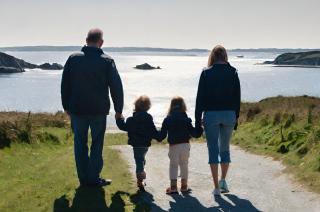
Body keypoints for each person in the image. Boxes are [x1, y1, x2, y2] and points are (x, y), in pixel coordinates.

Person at [61, 28, 124, 187]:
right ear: (101, 42)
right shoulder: (107, 61)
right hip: (98, 111)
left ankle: (84, 179)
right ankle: (93, 178)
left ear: (86, 40)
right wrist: (118, 110)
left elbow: (65, 85)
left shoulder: (73, 59)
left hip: (77, 110)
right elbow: (116, 87)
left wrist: (66, 106)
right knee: (97, 144)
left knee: (79, 144)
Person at [195, 45, 241, 196]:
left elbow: (199, 99)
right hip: (229, 115)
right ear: (225, 56)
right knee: (225, 149)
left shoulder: (206, 73)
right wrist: (236, 118)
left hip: (211, 115)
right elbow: (237, 98)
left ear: (213, 56)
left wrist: (197, 120)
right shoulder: (233, 72)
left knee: (213, 149)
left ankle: (216, 187)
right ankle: (223, 180)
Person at [116, 95, 161, 191]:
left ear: (135, 106)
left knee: (140, 160)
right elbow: (153, 132)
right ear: (148, 107)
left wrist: (119, 119)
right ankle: (140, 180)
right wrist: (160, 135)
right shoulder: (149, 120)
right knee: (140, 160)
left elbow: (123, 126)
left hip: (136, 145)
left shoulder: (131, 120)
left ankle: (140, 178)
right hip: (145, 145)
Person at [159, 96, 202, 194]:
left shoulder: (167, 119)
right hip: (185, 145)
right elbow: (194, 133)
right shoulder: (186, 119)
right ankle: (184, 186)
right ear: (183, 106)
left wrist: (153, 134)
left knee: (173, 165)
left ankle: (173, 187)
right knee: (184, 164)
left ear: (171, 106)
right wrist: (200, 126)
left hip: (173, 146)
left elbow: (162, 135)